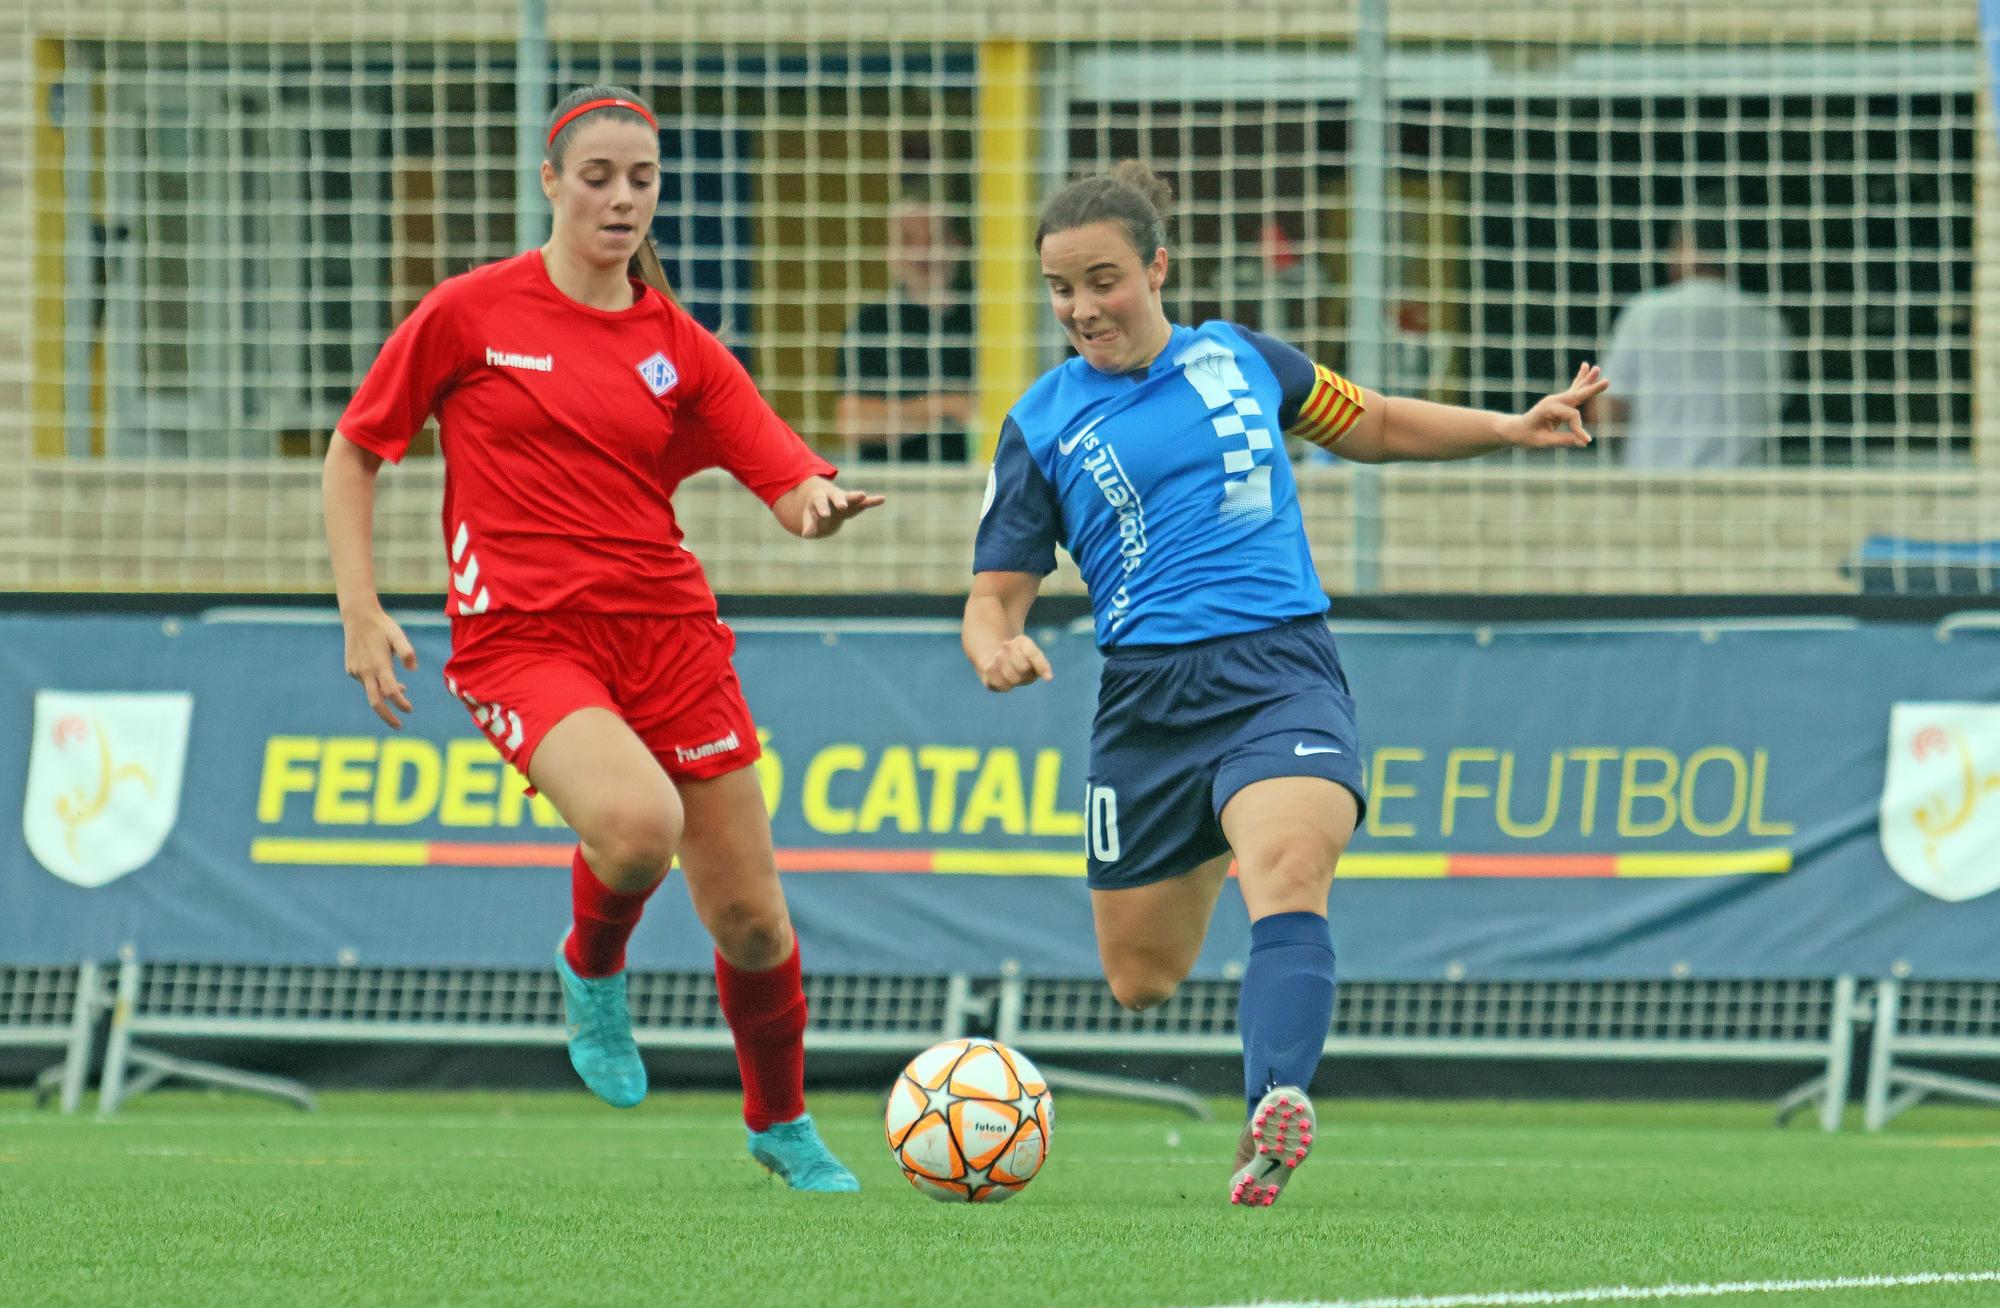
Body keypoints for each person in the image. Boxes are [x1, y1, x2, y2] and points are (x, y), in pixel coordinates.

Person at [962, 161, 1605, 1207]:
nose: (1081, 308)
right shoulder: (1040, 425)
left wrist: (1506, 426)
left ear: (1157, 268)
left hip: (1277, 672)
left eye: (1102, 280)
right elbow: (993, 595)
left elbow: (1377, 423)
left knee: (1290, 875)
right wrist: (993, 647)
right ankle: (1227, 824)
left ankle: (1271, 1112)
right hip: (1146, 705)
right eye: (1059, 289)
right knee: (1141, 979)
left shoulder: (1239, 358)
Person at [322, 84, 881, 1192]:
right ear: (550, 182)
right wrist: (362, 607)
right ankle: (592, 969)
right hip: (520, 638)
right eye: (598, 177)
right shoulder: (469, 312)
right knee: (635, 828)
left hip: (669, 635)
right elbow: (355, 453)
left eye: (642, 180)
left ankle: (779, 1124)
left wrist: (817, 504)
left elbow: (782, 472)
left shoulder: (679, 345)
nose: (622, 198)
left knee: (753, 925)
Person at [1596, 201, 1791, 469]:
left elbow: (1609, 413)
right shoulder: (1770, 325)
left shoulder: (1645, 313)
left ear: (1686, 246)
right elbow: (1773, 409)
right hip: (1741, 491)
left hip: (1652, 487)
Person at [834, 194, 977, 463]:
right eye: (909, 239)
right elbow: (854, 423)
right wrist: (948, 406)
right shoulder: (872, 324)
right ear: (890, 254)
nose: (923, 251)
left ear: (958, 244)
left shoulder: (985, 316)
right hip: (896, 487)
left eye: (934, 237)